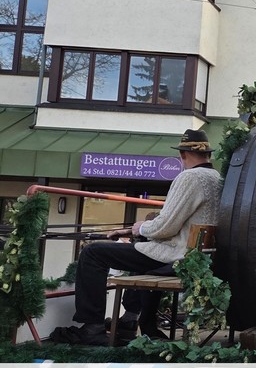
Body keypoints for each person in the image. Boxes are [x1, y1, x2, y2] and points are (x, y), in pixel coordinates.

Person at [50, 129, 222, 345]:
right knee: (141, 246)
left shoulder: (190, 177)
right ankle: (129, 321)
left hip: (177, 256)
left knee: (92, 253)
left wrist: (140, 228)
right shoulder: (217, 178)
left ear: (182, 154)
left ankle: (92, 327)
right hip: (195, 256)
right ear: (208, 154)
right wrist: (133, 230)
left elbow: (165, 227)